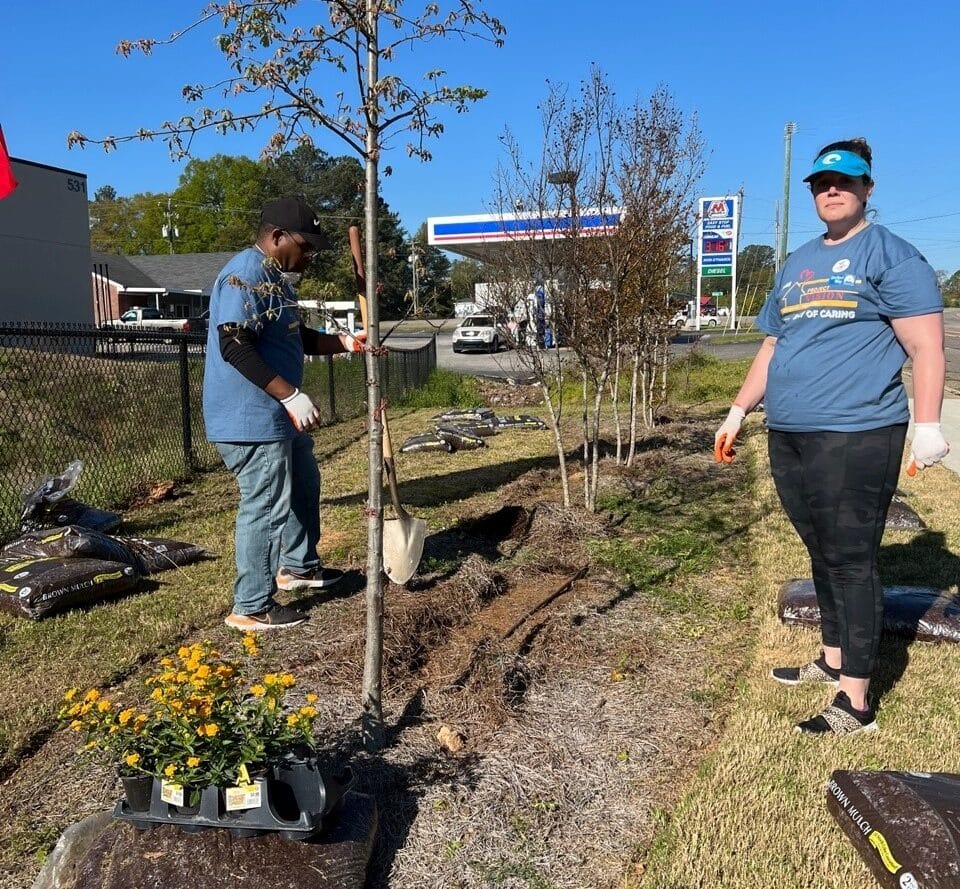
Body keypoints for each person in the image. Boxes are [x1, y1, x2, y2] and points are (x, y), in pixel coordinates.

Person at [715, 138, 949, 735]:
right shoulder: (796, 263)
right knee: (821, 550)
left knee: (851, 559)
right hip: (790, 430)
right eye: (821, 183)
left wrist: (927, 424)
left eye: (844, 181)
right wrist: (739, 410)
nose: (832, 190)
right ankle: (834, 657)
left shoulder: (892, 257)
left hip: (858, 430)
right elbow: (773, 343)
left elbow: (925, 345)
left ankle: (857, 703)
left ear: (867, 188)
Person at [203, 196, 366, 631]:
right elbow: (234, 344)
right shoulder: (245, 276)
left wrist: (346, 342)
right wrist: (290, 394)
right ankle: (251, 606)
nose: (309, 255)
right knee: (265, 505)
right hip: (252, 419)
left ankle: (298, 567)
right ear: (276, 237)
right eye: (305, 245)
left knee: (304, 483)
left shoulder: (276, 280)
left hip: (277, 418)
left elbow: (297, 338)